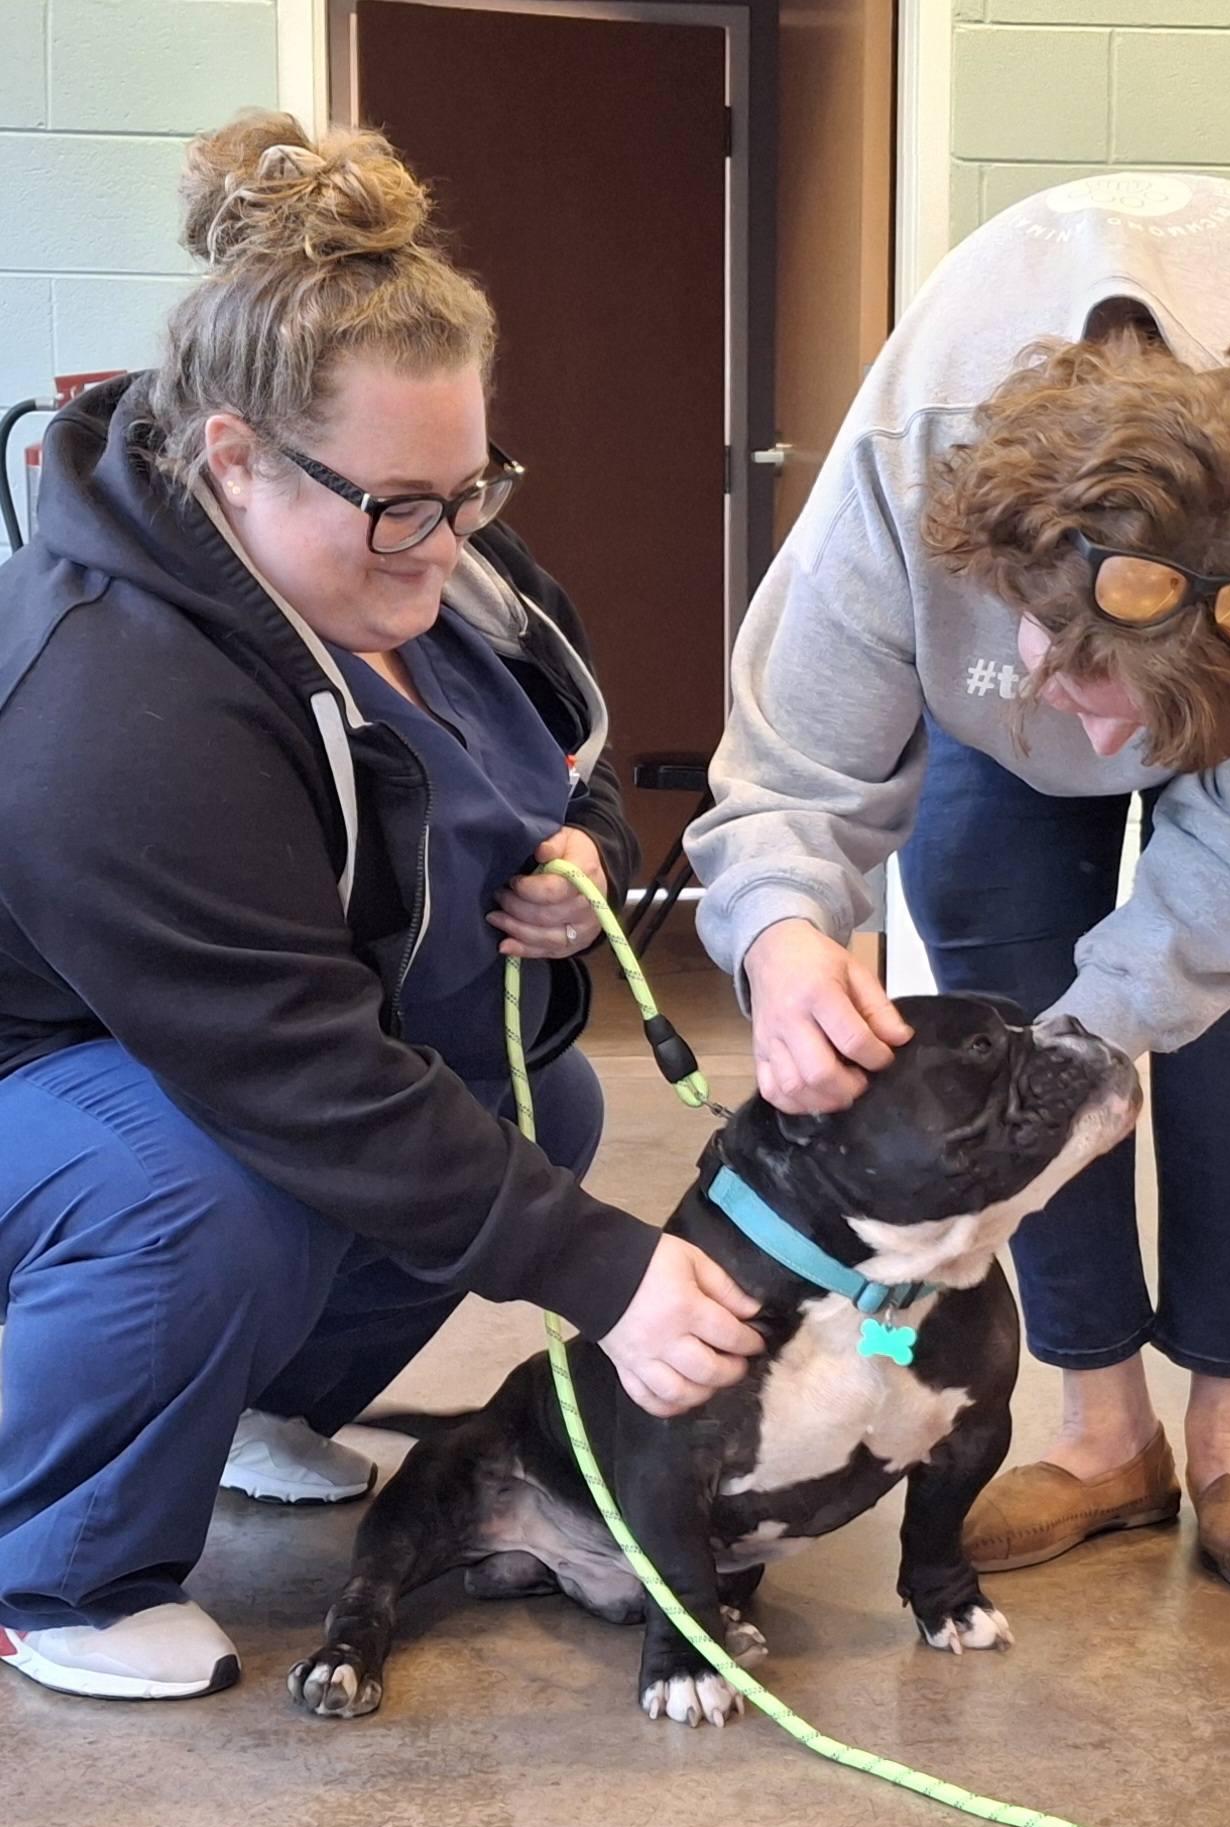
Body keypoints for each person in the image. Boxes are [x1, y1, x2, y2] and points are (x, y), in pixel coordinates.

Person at [0, 112, 761, 1702]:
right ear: (234, 462)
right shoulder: (115, 697)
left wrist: (584, 854)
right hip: (48, 1067)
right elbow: (293, 1072)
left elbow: (559, 742)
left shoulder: (425, 544)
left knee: (532, 1097)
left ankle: (253, 1403)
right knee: (205, 1186)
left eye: (475, 485)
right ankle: (46, 1556)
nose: (454, 536)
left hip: (217, 1050)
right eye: (405, 504)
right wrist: (607, 1274)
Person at [688, 173, 1230, 1597]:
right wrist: (788, 933)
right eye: (1088, 687)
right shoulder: (915, 475)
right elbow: (794, 768)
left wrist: (1110, 1030)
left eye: (1152, 720)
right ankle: (1103, 1426)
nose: (1108, 745)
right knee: (1007, 982)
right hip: (991, 614)